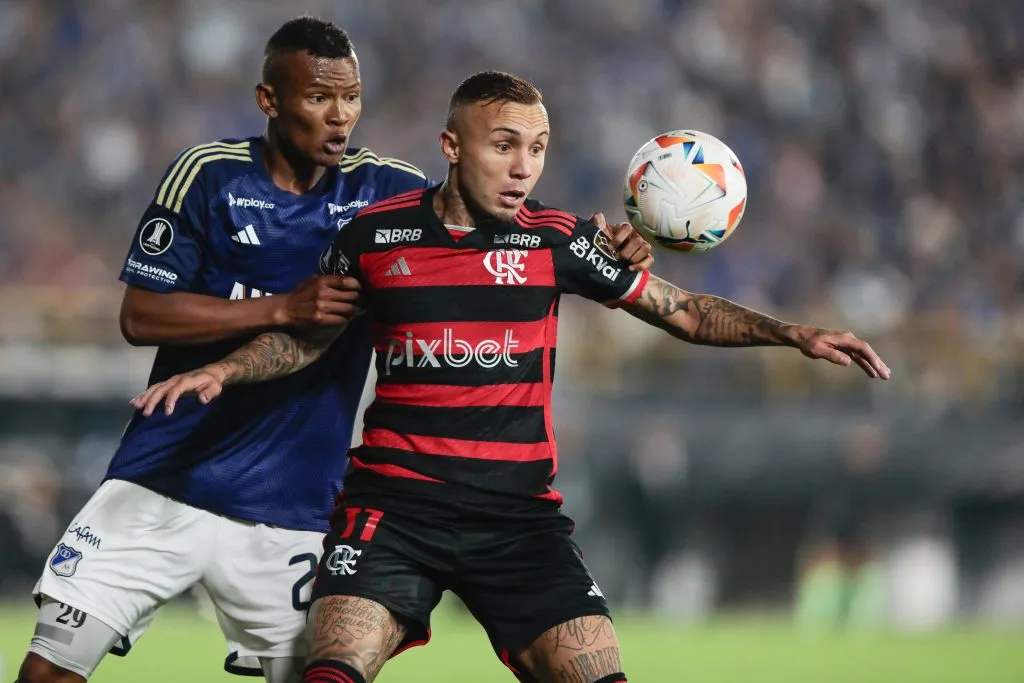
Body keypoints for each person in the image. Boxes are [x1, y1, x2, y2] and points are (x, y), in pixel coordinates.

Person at [133, 70, 890, 683]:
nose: (525, 165)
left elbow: (682, 311)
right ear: (452, 147)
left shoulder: (558, 241)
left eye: (539, 147)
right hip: (393, 512)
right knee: (330, 671)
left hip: (519, 520)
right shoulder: (372, 235)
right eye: (505, 145)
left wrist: (794, 333)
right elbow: (307, 340)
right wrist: (226, 370)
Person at [19, 21, 651, 683]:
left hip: (293, 512)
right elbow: (139, 314)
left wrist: (604, 248)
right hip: (164, 479)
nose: (341, 114)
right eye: (320, 97)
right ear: (270, 100)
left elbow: (503, 217)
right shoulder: (209, 175)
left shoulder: (384, 193)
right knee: (50, 670)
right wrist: (282, 307)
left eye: (351, 97)